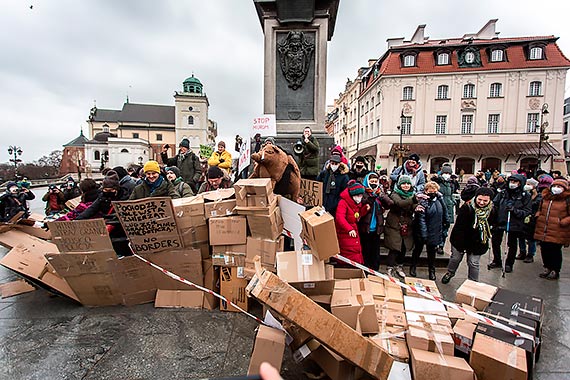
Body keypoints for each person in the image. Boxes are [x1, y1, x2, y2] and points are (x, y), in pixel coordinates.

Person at [442, 187, 495, 283]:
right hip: (461, 239)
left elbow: (494, 224)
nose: (482, 203)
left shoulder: (492, 211)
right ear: (476, 198)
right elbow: (459, 227)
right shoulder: (467, 207)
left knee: (473, 263)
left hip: (478, 241)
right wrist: (460, 244)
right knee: (455, 258)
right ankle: (450, 272)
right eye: (479, 199)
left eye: (485, 201)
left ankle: (472, 282)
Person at [76, 174, 130, 256]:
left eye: (111, 190)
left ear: (116, 189)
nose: (108, 193)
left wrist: (111, 223)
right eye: (105, 190)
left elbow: (123, 215)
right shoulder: (102, 197)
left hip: (122, 231)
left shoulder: (125, 198)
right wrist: (76, 220)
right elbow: (91, 210)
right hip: (108, 230)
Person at [488, 174, 531, 273]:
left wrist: (515, 211)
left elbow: (527, 211)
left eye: (515, 182)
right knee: (495, 242)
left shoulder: (525, 196)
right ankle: (497, 260)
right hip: (500, 221)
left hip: (514, 223)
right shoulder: (503, 193)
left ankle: (509, 263)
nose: (512, 184)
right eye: (511, 181)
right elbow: (495, 203)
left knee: (512, 244)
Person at [410, 181, 450, 280]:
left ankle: (432, 271)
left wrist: (446, 222)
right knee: (417, 250)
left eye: (434, 190)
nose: (432, 192)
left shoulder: (440, 200)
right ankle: (413, 267)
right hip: (421, 231)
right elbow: (421, 218)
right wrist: (424, 233)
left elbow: (445, 211)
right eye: (430, 190)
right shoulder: (423, 201)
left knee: (432, 253)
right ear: (426, 191)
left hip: (435, 230)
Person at [534, 178, 570, 280]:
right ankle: (547, 268)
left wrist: (563, 221)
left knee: (555, 250)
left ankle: (555, 270)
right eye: (554, 186)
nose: (556, 188)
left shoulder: (567, 199)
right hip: (544, 228)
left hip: (558, 229)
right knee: (544, 249)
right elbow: (540, 209)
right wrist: (538, 215)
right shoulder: (546, 198)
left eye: (559, 187)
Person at [384, 175, 418, 279]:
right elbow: (400, 203)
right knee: (394, 248)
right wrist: (414, 199)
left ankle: (399, 266)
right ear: (399, 185)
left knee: (404, 247)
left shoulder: (412, 195)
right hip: (394, 224)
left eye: (408, 183)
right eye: (403, 183)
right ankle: (389, 268)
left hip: (407, 225)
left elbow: (413, 206)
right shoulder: (395, 194)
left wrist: (418, 207)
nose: (406, 186)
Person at [359, 172, 393, 271]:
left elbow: (389, 203)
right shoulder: (363, 192)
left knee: (375, 251)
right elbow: (363, 204)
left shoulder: (380, 192)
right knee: (366, 250)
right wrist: (372, 197)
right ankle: (365, 269)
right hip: (365, 227)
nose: (373, 183)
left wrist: (380, 195)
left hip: (377, 228)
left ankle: (375, 269)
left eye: (375, 181)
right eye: (371, 181)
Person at [335, 181, 369, 265]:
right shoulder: (343, 203)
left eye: (361, 195)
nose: (360, 198)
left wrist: (364, 210)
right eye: (358, 195)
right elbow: (340, 218)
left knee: (355, 251)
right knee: (349, 251)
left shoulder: (356, 203)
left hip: (353, 230)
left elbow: (357, 216)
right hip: (345, 232)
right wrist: (349, 229)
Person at [432, 164, 457, 254]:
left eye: (448, 173)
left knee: (445, 228)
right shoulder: (437, 182)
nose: (447, 175)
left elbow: (451, 194)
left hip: (449, 207)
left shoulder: (451, 183)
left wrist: (453, 201)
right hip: (439, 207)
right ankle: (435, 244)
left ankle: (441, 245)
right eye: (445, 173)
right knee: (437, 227)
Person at [316, 152, 349, 217]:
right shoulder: (324, 173)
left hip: (335, 205)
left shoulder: (344, 177)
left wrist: (337, 203)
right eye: (332, 163)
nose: (334, 165)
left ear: (339, 164)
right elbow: (317, 185)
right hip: (323, 203)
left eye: (336, 164)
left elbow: (344, 192)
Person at [516, 178, 539, 263]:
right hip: (521, 218)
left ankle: (530, 254)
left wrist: (532, 199)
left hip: (531, 220)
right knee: (521, 237)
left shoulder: (538, 196)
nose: (527, 186)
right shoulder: (522, 194)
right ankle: (522, 252)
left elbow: (534, 206)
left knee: (530, 238)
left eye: (529, 184)